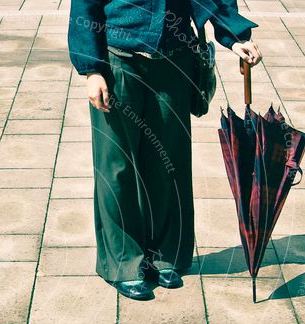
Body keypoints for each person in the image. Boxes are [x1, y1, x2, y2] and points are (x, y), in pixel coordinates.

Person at [68, 0, 262, 300]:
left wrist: (235, 36)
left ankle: (166, 254)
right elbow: (85, 5)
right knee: (116, 166)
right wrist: (92, 69)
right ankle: (123, 262)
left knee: (170, 160)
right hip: (118, 58)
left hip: (173, 57)